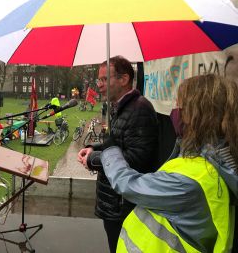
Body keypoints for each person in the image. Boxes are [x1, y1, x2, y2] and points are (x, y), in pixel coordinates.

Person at [97, 74, 238, 252]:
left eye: (179, 106)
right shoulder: (214, 159)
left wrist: (110, 151)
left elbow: (129, 184)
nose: (174, 111)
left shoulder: (192, 180)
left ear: (197, 115)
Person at [77, 56, 159, 253]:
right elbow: (115, 145)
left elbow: (138, 159)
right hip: (113, 202)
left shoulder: (140, 109)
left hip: (123, 205)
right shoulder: (121, 108)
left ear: (124, 79)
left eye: (105, 79)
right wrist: (94, 149)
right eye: (99, 80)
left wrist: (94, 160)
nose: (100, 85)